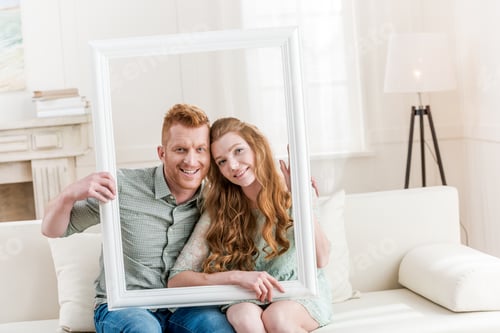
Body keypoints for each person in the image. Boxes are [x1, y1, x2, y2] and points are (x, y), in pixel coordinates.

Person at [41, 104, 235, 333]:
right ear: (162, 153)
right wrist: (69, 194)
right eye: (180, 149)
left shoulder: (215, 201)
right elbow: (52, 229)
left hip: (187, 307)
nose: (191, 161)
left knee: (217, 327)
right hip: (126, 307)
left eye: (200, 149)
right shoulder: (122, 187)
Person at [167, 117, 333, 333]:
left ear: (257, 148)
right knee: (244, 316)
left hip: (298, 295)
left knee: (277, 317)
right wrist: (236, 277)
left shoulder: (294, 190)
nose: (233, 166)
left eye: (238, 151)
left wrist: (300, 198)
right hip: (247, 298)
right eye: (222, 161)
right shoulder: (220, 209)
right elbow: (177, 279)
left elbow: (321, 258)